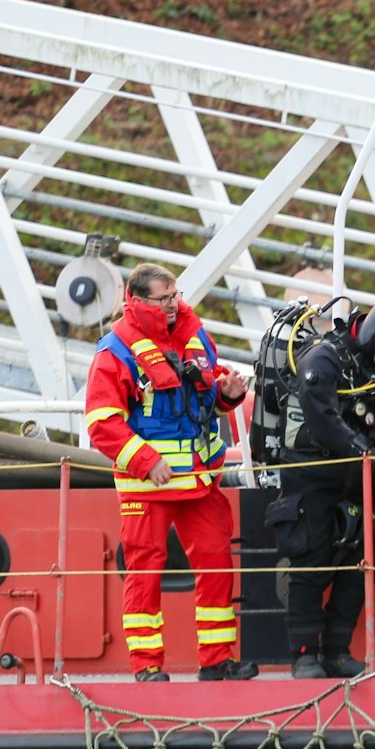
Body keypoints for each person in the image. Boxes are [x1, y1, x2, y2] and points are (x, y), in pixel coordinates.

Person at [84, 263, 258, 682]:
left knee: (217, 565)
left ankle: (217, 662)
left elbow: (200, 403)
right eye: (164, 299)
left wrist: (227, 395)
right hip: (148, 486)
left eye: (175, 296)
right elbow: (102, 423)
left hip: (198, 482)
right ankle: (147, 667)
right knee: (144, 575)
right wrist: (147, 461)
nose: (173, 306)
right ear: (137, 301)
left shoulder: (191, 338)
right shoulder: (114, 352)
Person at [268, 298, 375, 680]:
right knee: (311, 561)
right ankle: (304, 655)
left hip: (361, 475)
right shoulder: (323, 359)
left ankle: (338, 652)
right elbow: (323, 419)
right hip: (313, 472)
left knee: (361, 564)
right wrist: (371, 457)